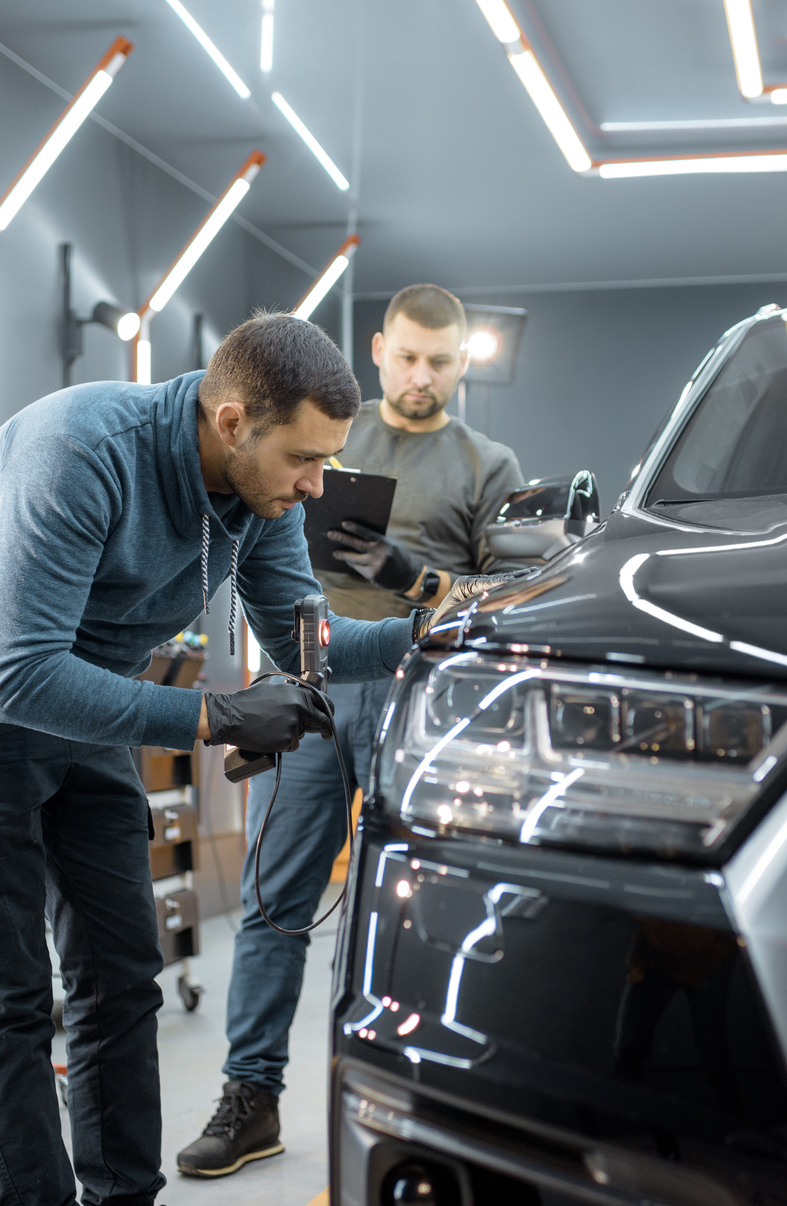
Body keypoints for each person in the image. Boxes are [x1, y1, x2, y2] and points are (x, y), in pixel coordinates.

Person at [0, 314, 435, 1206]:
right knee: (6, 999)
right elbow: (19, 678)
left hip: (82, 680)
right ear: (230, 423)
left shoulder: (262, 498)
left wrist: (433, 633)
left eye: (326, 460)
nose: (316, 484)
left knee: (119, 976)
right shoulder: (82, 451)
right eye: (303, 458)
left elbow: (307, 642)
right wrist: (214, 716)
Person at [179, 284, 527, 1178]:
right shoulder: (323, 430)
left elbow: (508, 604)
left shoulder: (488, 465)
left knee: (438, 911)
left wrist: (418, 582)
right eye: (407, 357)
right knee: (272, 901)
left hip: (423, 700)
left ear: (464, 362)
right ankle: (250, 1097)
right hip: (306, 686)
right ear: (379, 350)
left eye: (441, 361)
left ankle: (437, 1110)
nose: (421, 376)